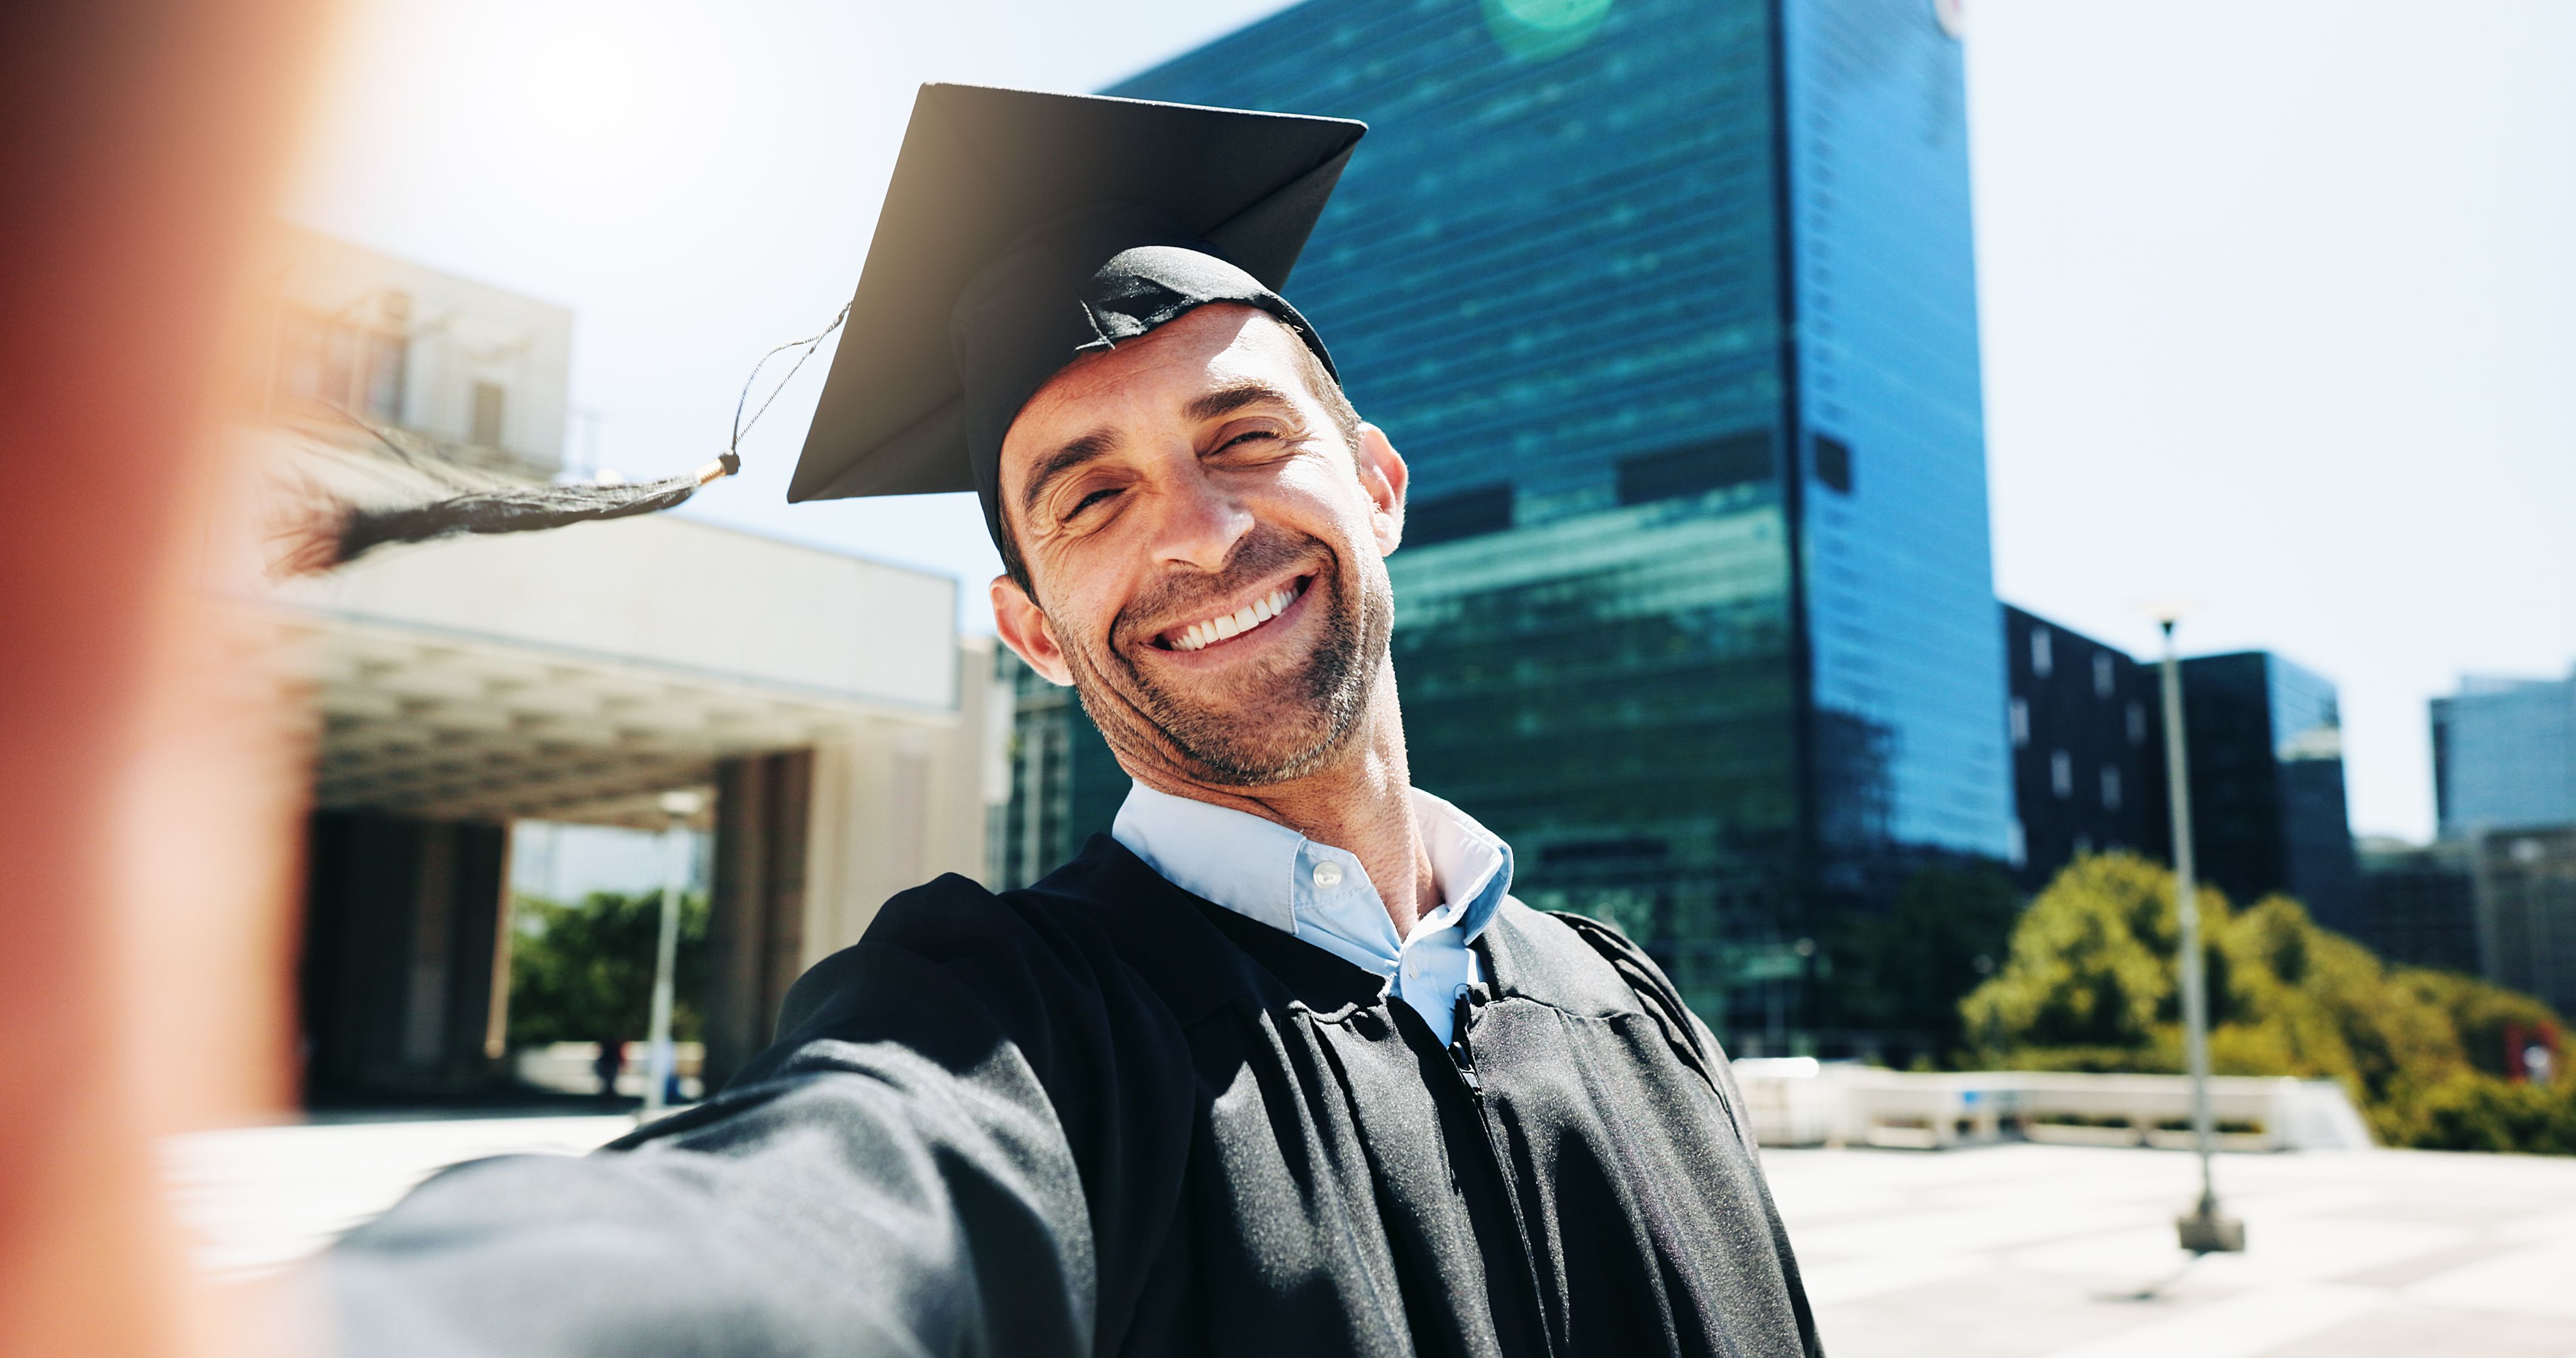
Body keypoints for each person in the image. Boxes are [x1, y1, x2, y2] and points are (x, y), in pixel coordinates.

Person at [327, 85, 1821, 1358]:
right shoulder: (1014, 1032)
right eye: (1091, 495)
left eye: (1244, 434)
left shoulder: (1627, 1007)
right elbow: (791, 1218)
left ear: (1377, 486)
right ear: (1030, 628)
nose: (1195, 528)